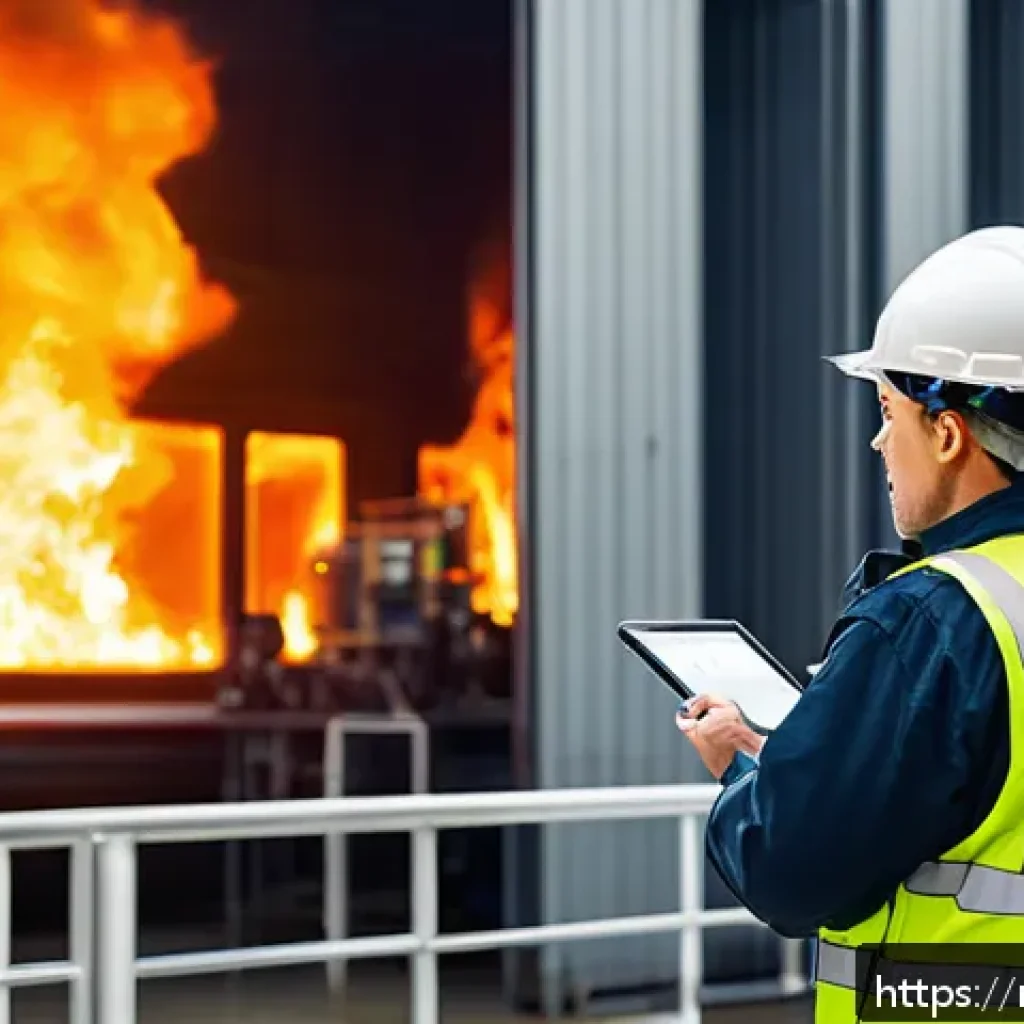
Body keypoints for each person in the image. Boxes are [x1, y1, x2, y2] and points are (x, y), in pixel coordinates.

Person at [676, 225, 1024, 1022]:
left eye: (886, 409)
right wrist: (811, 757)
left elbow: (790, 869)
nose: (876, 440)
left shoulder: (927, 620)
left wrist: (743, 775)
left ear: (945, 432)